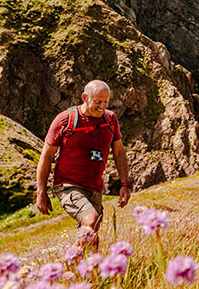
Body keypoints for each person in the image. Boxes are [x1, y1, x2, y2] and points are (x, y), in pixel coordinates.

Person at [35, 80, 131, 248]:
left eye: (106, 101)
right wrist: (41, 192)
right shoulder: (66, 120)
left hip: (94, 187)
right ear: (85, 98)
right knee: (91, 220)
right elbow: (46, 156)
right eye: (98, 101)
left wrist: (124, 184)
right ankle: (68, 262)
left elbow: (119, 152)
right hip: (67, 185)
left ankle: (84, 271)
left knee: (92, 237)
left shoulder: (110, 120)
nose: (103, 106)